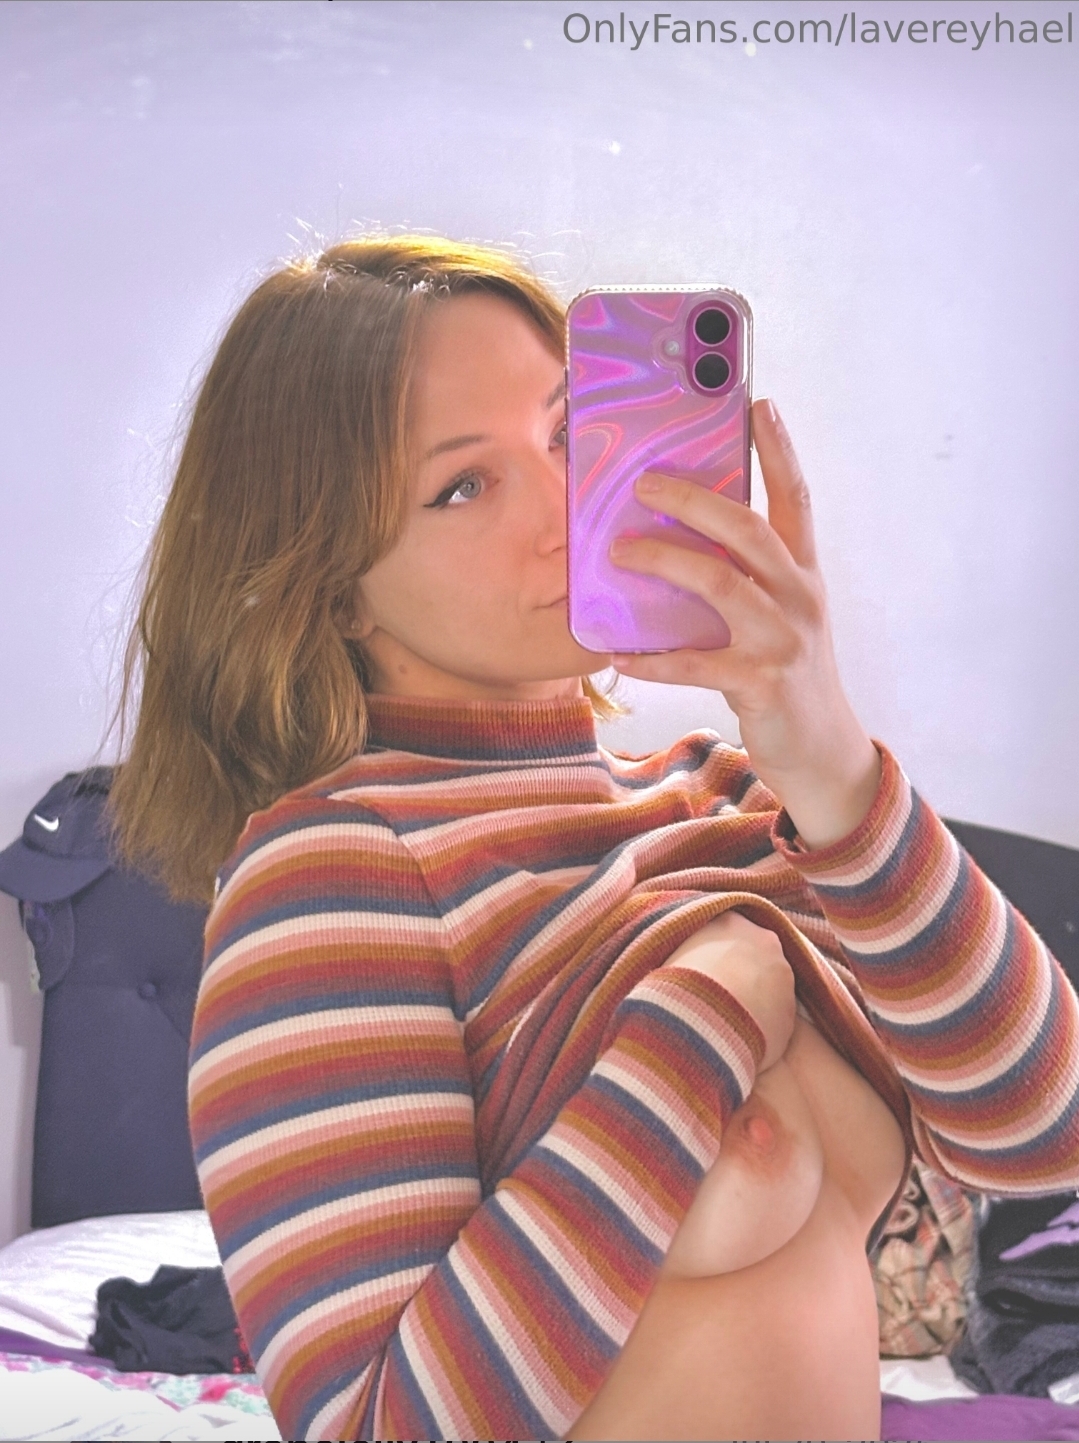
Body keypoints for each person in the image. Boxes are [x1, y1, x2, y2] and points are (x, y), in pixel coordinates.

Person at [110, 236, 1079, 1442]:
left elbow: (1041, 1134)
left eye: (568, 433)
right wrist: (709, 1011)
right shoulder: (336, 872)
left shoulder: (723, 800)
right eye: (462, 486)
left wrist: (831, 763)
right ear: (330, 585)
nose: (565, 505)